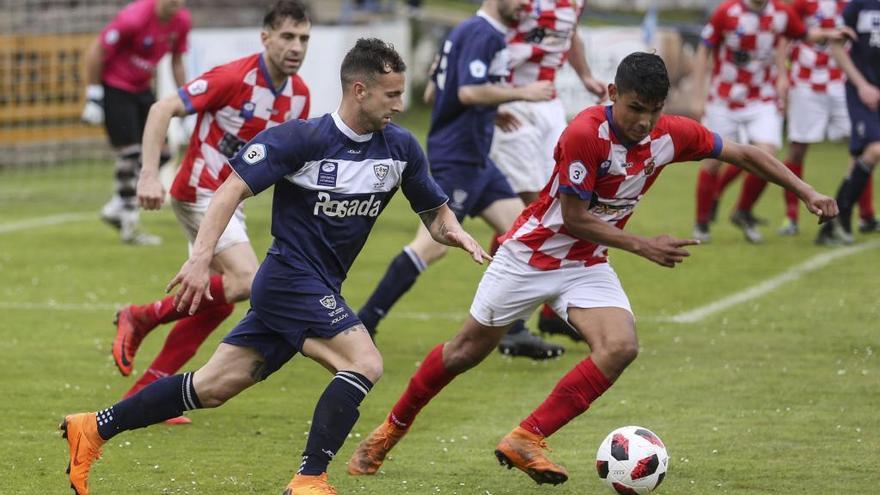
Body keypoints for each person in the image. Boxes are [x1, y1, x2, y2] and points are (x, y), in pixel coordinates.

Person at [346, 52, 838, 486]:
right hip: (532, 254)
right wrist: (643, 244)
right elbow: (576, 218)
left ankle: (527, 438)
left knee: (620, 346)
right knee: (463, 352)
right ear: (611, 94)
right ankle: (389, 431)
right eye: (634, 108)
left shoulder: (670, 135)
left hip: (586, 261)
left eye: (654, 111)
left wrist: (807, 192)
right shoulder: (585, 133)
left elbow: (747, 153)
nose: (644, 122)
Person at [59, 38, 491, 495]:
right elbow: (228, 190)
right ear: (359, 90)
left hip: (316, 286)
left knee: (212, 387)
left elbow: (433, 210)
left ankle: (93, 427)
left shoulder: (400, 149)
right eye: (391, 95)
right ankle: (309, 478)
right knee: (364, 362)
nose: (401, 106)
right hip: (289, 279)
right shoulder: (300, 139)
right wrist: (201, 257)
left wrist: (453, 231)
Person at [111, 0, 312, 425]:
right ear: (266, 38)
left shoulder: (299, 97)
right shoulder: (233, 76)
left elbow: (293, 162)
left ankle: (149, 390)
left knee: (214, 301)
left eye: (304, 39)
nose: (297, 47)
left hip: (228, 203)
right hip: (198, 191)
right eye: (288, 37)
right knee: (246, 281)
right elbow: (161, 108)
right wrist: (149, 175)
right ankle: (142, 315)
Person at [355, 0, 565, 359]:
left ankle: (512, 330)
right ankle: (365, 322)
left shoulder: (471, 32)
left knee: (520, 232)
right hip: (458, 157)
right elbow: (467, 91)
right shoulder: (481, 33)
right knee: (431, 246)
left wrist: (492, 110)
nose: (525, 5)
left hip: (478, 158)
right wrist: (521, 93)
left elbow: (434, 91)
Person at [490, 0, 608, 340]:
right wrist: (492, 99)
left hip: (550, 106)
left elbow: (571, 34)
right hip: (513, 105)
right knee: (532, 209)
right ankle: (507, 319)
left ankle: (550, 313)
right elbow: (492, 35)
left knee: (557, 207)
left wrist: (585, 75)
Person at [691, 0, 846, 243]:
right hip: (723, 98)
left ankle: (742, 210)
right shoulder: (726, 12)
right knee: (712, 163)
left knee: (767, 157)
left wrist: (830, 33)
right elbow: (704, 50)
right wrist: (698, 95)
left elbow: (805, 34)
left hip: (762, 98)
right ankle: (701, 224)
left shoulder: (781, 13)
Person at [81, 0, 191, 245]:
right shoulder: (134, 18)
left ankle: (118, 205)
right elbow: (95, 53)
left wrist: (187, 98)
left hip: (142, 89)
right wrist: (94, 96)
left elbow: (176, 61)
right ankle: (129, 225)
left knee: (162, 153)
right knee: (130, 154)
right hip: (115, 88)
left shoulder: (181, 21)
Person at [777, 0, 854, 236]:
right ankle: (790, 217)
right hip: (806, 84)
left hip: (842, 82)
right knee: (798, 148)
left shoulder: (852, 4)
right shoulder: (802, 3)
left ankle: (867, 214)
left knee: (862, 147)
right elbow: (785, 36)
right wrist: (783, 74)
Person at [815, 0, 880, 244]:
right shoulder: (859, 6)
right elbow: (836, 45)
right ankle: (839, 219)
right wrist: (862, 85)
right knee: (875, 149)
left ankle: (834, 224)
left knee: (859, 158)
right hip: (863, 92)